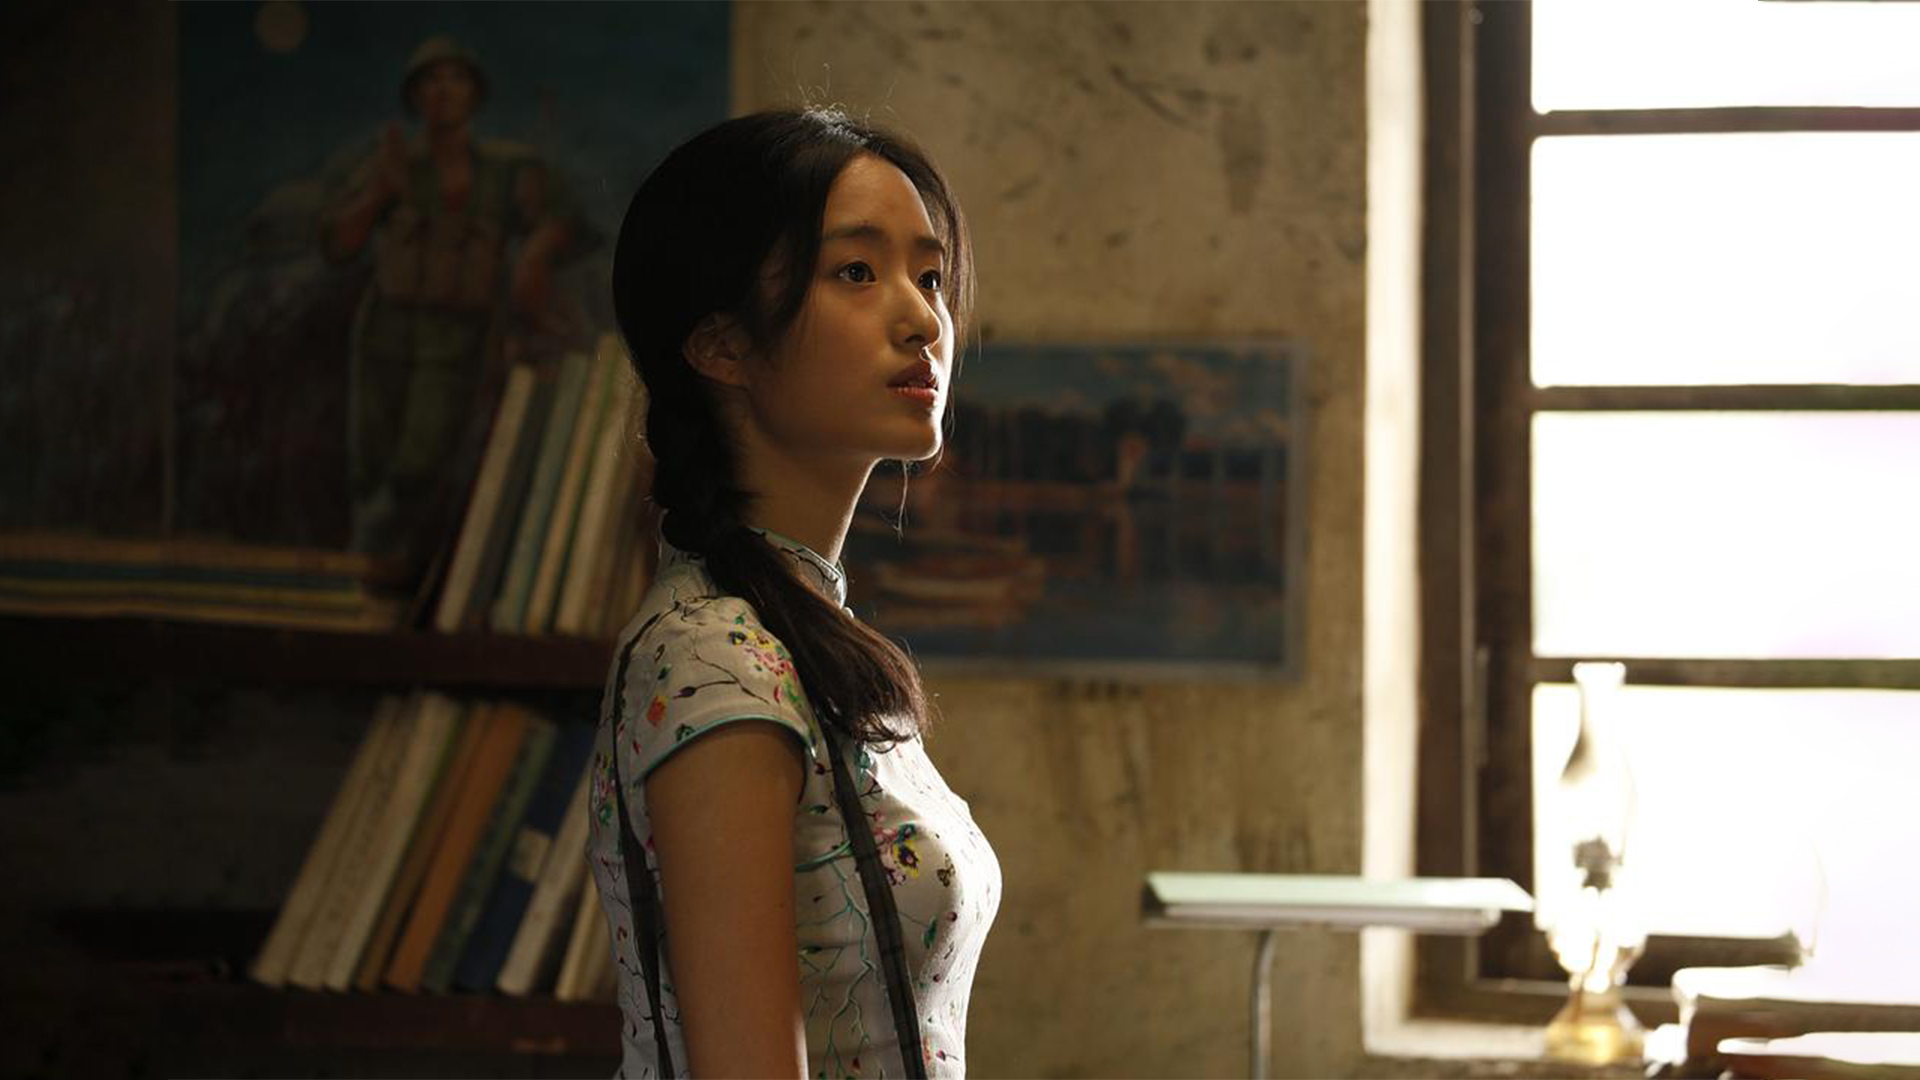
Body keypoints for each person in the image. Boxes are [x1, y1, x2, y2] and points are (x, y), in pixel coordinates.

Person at [584, 108, 1001, 1079]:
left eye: (929, 276)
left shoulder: (792, 633)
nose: (924, 319)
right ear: (722, 345)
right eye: (856, 271)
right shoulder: (713, 658)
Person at [321, 35, 585, 571]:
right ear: (415, 95)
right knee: (372, 456)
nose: (443, 91)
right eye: (430, 81)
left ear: (474, 93)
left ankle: (392, 559)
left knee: (421, 458)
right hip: (387, 329)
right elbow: (338, 243)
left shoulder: (506, 170)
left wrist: (535, 255)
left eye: (456, 79)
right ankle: (371, 566)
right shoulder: (392, 161)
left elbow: (563, 222)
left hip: (457, 334)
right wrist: (379, 190)